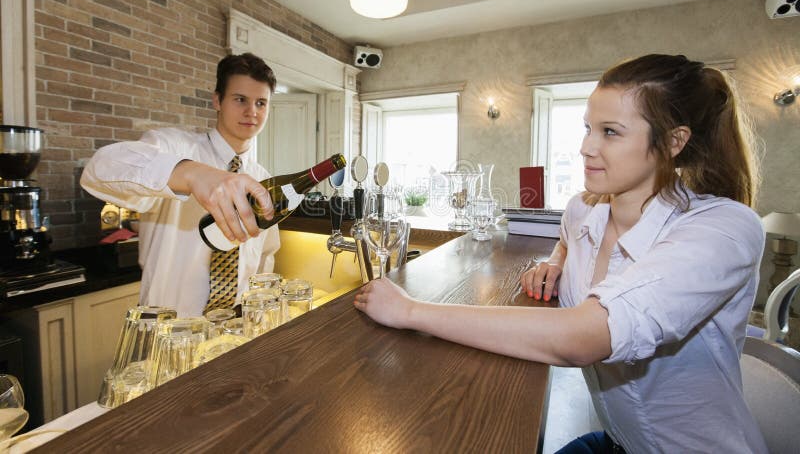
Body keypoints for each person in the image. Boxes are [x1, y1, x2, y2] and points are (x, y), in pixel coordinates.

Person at [353, 54, 768, 453]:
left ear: (674, 142)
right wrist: (555, 263)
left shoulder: (723, 229)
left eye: (610, 132)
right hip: (619, 442)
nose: (587, 147)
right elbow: (568, 240)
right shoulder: (584, 209)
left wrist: (410, 311)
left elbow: (584, 338)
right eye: (588, 127)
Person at [81, 52, 279, 318]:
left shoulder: (262, 178)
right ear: (217, 100)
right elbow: (98, 170)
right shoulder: (173, 147)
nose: (251, 112)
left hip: (233, 330)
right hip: (168, 328)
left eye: (261, 103)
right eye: (240, 99)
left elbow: (265, 254)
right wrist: (192, 174)